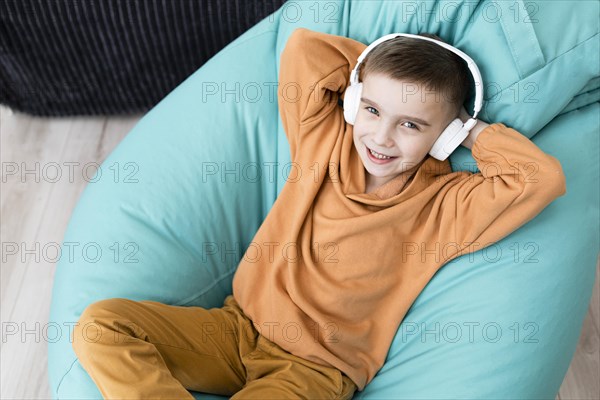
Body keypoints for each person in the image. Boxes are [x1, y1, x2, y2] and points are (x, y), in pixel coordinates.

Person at [71, 28, 567, 399]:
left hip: (314, 372)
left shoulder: (446, 206)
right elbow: (304, 50)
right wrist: (365, 80)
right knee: (99, 325)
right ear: (353, 103)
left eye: (411, 125)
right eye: (372, 111)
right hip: (235, 329)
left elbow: (538, 179)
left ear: (442, 137)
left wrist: (469, 131)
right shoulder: (323, 141)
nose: (382, 137)